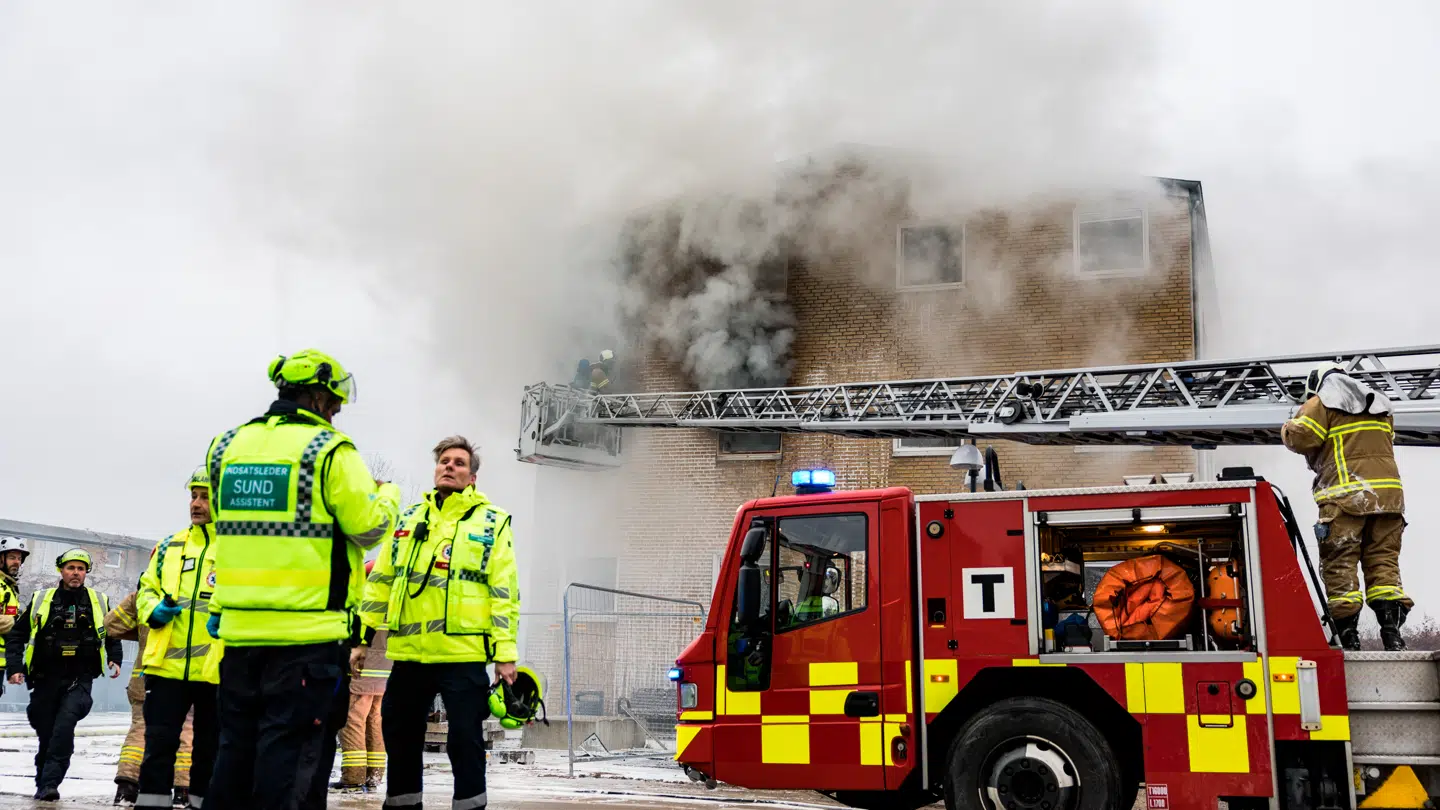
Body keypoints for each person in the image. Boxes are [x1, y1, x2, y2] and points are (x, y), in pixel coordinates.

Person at [204, 348, 400, 810]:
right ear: (317, 396)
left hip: (239, 634)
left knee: (233, 758)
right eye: (334, 403)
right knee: (287, 764)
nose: (336, 411)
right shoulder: (330, 450)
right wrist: (387, 495)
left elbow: (223, 521)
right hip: (307, 637)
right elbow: (368, 526)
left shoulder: (225, 445)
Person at [358, 435, 520, 810]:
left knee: (465, 741)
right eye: (444, 460)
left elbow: (504, 594)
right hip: (410, 655)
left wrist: (505, 655)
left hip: (462, 655)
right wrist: (362, 638)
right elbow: (381, 581)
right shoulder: (409, 518)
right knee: (399, 736)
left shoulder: (492, 522)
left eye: (459, 462)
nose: (450, 466)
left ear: (472, 477)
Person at [1283, 361, 1410, 651]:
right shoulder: (1380, 405)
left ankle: (1348, 638)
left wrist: (1286, 426)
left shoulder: (1321, 404)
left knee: (1340, 564)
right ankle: (1393, 634)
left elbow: (1302, 437)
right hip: (1388, 501)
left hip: (1345, 501)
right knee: (1384, 564)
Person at [132, 468, 223, 810]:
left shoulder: (236, 549)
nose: (196, 504)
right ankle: (151, 805)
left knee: (210, 749)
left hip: (216, 669)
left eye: (204, 497)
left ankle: (204, 804)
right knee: (158, 746)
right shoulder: (169, 545)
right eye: (193, 496)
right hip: (166, 667)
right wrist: (153, 609)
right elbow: (146, 590)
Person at [4, 548, 123, 801]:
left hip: (79, 680)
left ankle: (50, 784)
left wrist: (115, 657)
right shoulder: (41, 599)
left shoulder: (99, 601)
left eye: (81, 569)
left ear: (86, 572)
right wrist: (14, 668)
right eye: (71, 568)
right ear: (61, 570)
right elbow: (17, 636)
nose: (76, 573)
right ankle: (42, 781)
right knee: (46, 732)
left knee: (63, 728)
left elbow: (113, 632)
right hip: (45, 679)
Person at [104, 589, 196, 807]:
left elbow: (112, 624)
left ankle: (126, 788)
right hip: (189, 675)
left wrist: (143, 629)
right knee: (188, 729)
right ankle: (184, 790)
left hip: (144, 678)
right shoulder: (198, 590)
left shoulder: (144, 595)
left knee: (140, 731)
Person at [335, 563, 390, 792]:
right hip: (383, 673)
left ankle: (353, 777)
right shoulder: (391, 602)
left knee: (352, 721)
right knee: (374, 721)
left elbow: (355, 633)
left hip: (362, 670)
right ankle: (374, 776)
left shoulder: (367, 603)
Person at [0, 536, 30, 646]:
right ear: (1, 559)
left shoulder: (9, 586)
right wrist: (16, 623)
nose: (17, 562)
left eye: (19, 558)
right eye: (12, 558)